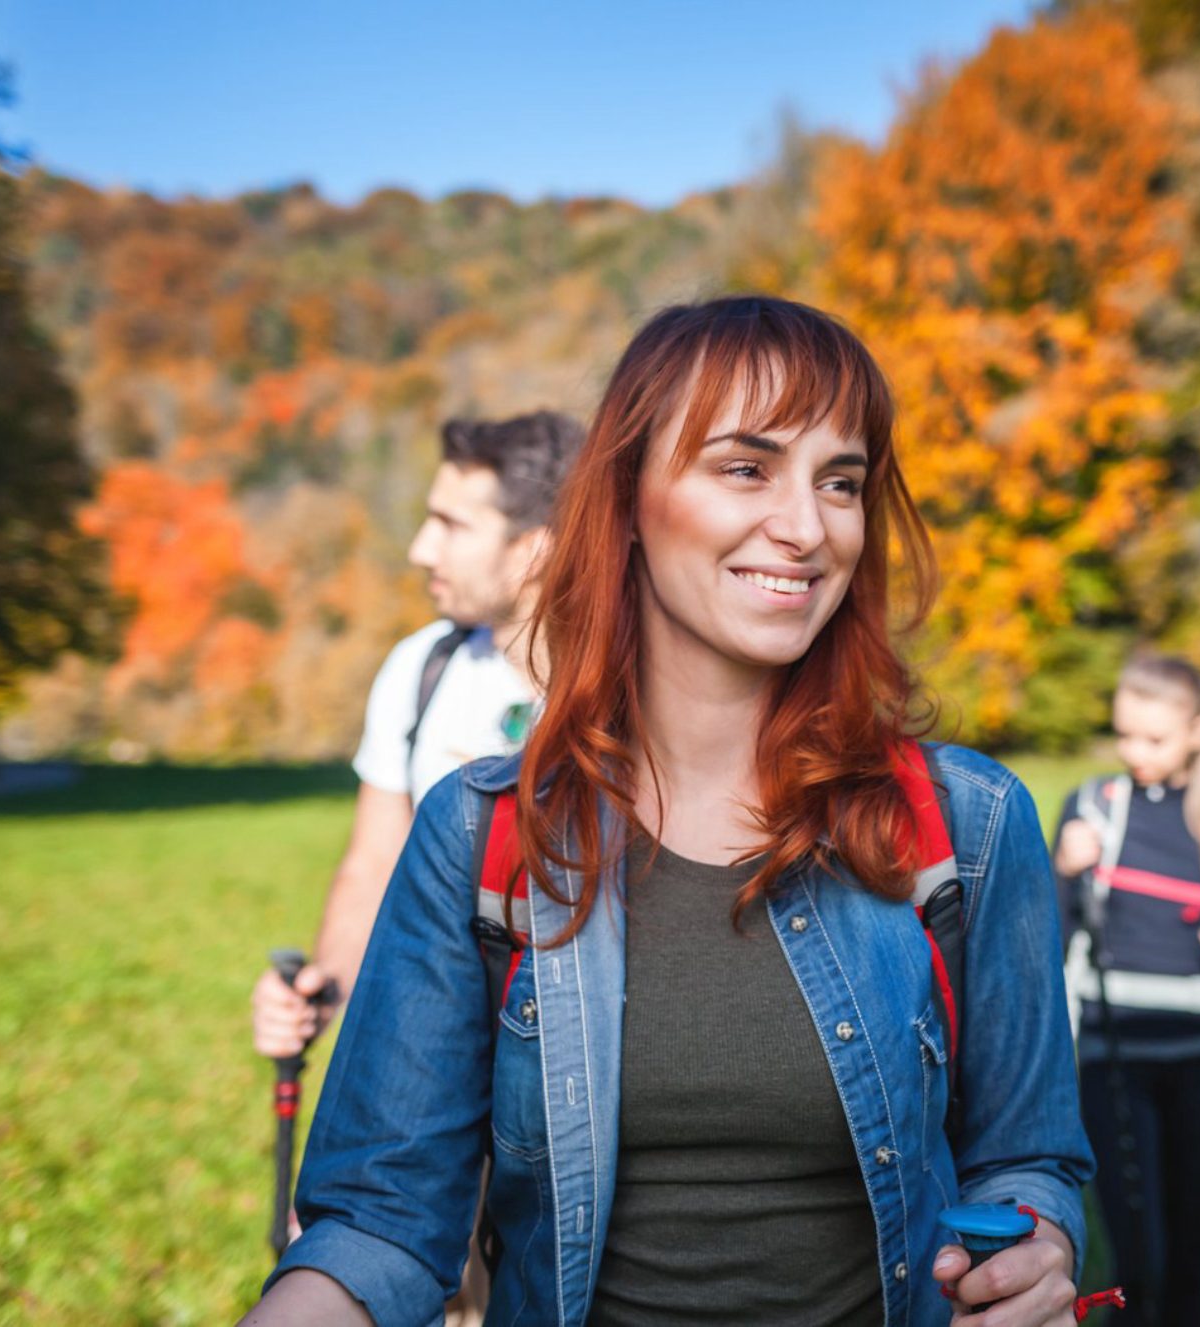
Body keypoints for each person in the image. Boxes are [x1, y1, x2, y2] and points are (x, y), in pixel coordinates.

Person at [237, 295, 1094, 1326]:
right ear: (628, 495)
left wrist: (1034, 1241)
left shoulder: (967, 823)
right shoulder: (479, 836)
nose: (808, 525)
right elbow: (380, 1219)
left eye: (841, 480)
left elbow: (1024, 1158)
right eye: (746, 467)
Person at [250, 409, 583, 1059]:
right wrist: (321, 993)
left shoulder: (636, 687)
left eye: (452, 526)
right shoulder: (422, 668)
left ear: (536, 547)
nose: (421, 548)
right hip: (438, 1059)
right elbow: (376, 862)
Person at [1051, 655, 1200, 1327]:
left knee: (1189, 1252)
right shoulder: (1091, 809)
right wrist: (1063, 870)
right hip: (1116, 1054)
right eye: (1124, 735)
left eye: (1154, 738)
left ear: (1198, 731)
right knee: (1138, 1253)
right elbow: (1052, 934)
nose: (1134, 753)